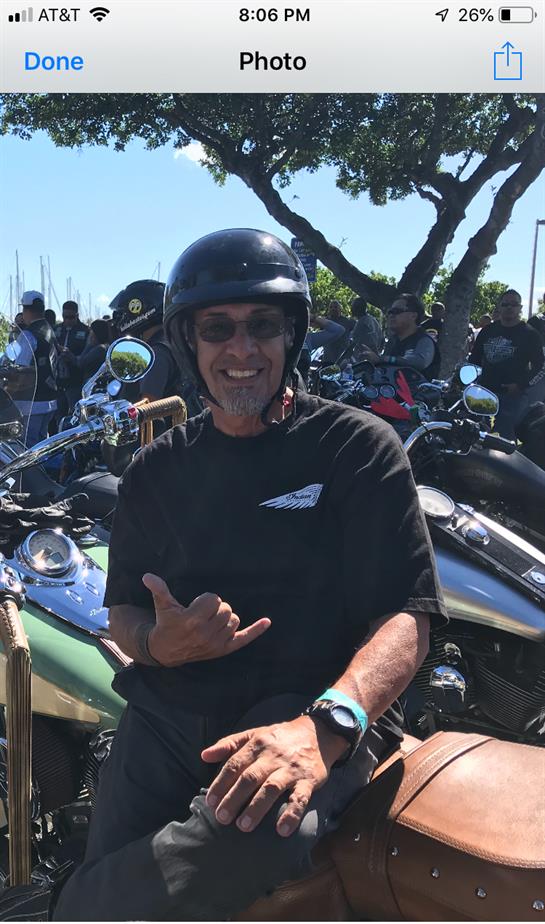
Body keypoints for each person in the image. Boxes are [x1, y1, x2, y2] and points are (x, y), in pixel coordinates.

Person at [51, 229, 446, 922]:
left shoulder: (355, 446)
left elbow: (406, 616)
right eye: (217, 330)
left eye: (262, 326)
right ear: (187, 344)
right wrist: (159, 645)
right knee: (107, 848)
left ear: (291, 336)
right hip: (171, 710)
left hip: (310, 703)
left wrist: (327, 724)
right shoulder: (153, 469)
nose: (241, 350)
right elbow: (122, 615)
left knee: (198, 863)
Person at [115, 278, 202, 420]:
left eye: (122, 313)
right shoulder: (175, 342)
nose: (118, 319)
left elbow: (148, 407)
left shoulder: (155, 353)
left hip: (159, 437)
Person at [470, 289, 544, 439]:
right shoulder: (488, 330)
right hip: (483, 393)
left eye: (514, 304)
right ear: (499, 307)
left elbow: (540, 367)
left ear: (520, 308)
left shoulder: (530, 334)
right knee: (474, 436)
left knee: (502, 441)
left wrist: (521, 385)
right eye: (505, 304)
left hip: (511, 397)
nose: (509, 308)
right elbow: (474, 359)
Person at [1, 291, 57, 447]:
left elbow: (20, 367)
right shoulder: (49, 329)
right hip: (49, 399)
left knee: (26, 449)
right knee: (42, 445)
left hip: (30, 403)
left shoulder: (28, 334)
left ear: (26, 310)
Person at [354, 293, 440, 381]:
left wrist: (381, 359)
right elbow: (383, 369)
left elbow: (418, 362)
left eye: (397, 311)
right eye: (390, 312)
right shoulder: (393, 341)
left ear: (413, 316)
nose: (391, 315)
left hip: (417, 393)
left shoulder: (424, 340)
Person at [55, 300, 89, 415]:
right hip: (58, 381)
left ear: (77, 316)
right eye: (65, 317)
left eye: (71, 317)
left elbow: (88, 355)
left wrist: (72, 356)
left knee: (76, 414)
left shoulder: (85, 331)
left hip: (75, 380)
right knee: (58, 413)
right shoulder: (57, 329)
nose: (67, 320)